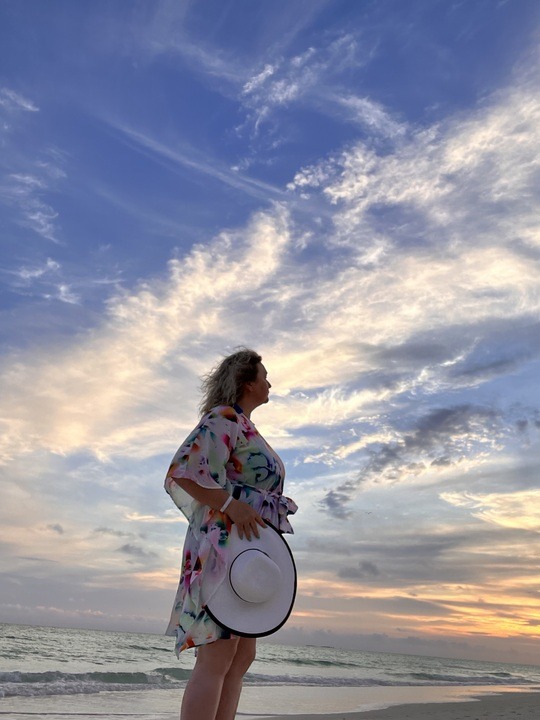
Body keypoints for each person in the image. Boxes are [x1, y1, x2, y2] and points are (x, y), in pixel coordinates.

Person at [164, 348, 297, 720]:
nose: (269, 382)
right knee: (218, 653)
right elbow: (184, 472)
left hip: (247, 552)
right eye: (264, 375)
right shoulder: (223, 418)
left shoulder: (244, 425)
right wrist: (230, 505)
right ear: (246, 382)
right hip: (223, 547)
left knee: (240, 656)